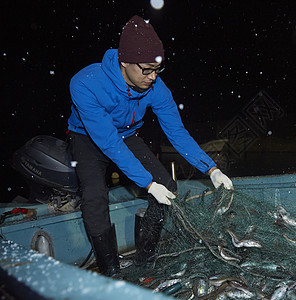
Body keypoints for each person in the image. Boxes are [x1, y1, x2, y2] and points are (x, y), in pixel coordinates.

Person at [67, 15, 233, 277]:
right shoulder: (85, 84)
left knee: (167, 185)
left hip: (127, 135)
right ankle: (110, 268)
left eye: (158, 69)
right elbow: (109, 143)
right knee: (95, 197)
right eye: (146, 69)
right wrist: (147, 183)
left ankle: (145, 258)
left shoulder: (156, 87)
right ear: (124, 62)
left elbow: (177, 132)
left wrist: (211, 169)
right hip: (87, 138)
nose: (153, 77)